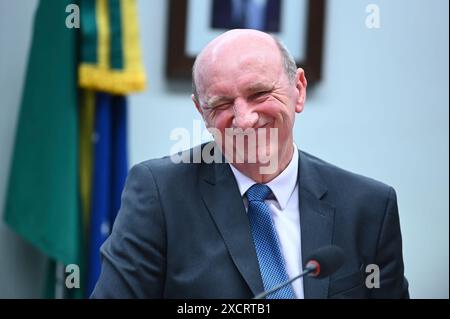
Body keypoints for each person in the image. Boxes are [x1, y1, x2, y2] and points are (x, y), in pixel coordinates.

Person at [91, 29, 409, 298]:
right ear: (201, 112)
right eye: (222, 104)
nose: (244, 120)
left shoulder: (369, 207)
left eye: (258, 93)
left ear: (298, 89)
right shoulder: (159, 194)